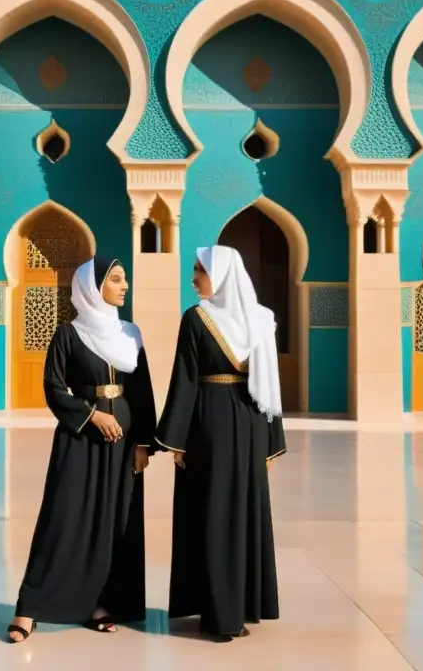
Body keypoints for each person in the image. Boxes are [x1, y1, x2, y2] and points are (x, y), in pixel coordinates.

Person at [8, 255, 157, 643]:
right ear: (94, 287)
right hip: (80, 438)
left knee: (114, 521)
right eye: (117, 280)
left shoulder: (130, 333)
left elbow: (142, 391)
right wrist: (92, 416)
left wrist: (142, 443)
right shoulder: (68, 334)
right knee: (63, 517)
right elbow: (54, 388)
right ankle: (30, 606)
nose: (125, 287)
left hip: (124, 441)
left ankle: (98, 601)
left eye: (125, 280)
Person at [155, 245, 286, 641]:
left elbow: (187, 381)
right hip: (240, 425)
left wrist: (176, 437)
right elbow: (188, 378)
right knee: (221, 512)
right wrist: (271, 439)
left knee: (224, 513)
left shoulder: (221, 320)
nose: (194, 278)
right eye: (194, 270)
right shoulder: (234, 319)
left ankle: (226, 610)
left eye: (200, 271)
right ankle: (224, 611)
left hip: (216, 420)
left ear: (223, 275)